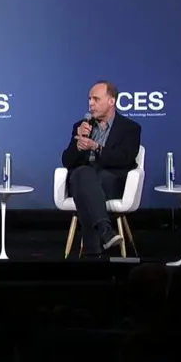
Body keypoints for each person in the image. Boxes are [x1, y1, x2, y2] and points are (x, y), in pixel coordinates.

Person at [61, 80, 141, 258]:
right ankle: (105, 230)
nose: (91, 104)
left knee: (84, 182)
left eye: (96, 99)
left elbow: (124, 159)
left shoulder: (130, 128)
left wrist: (96, 147)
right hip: (83, 179)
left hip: (110, 180)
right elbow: (67, 161)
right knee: (83, 174)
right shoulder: (82, 126)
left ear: (111, 101)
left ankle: (92, 251)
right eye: (89, 99)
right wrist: (77, 145)